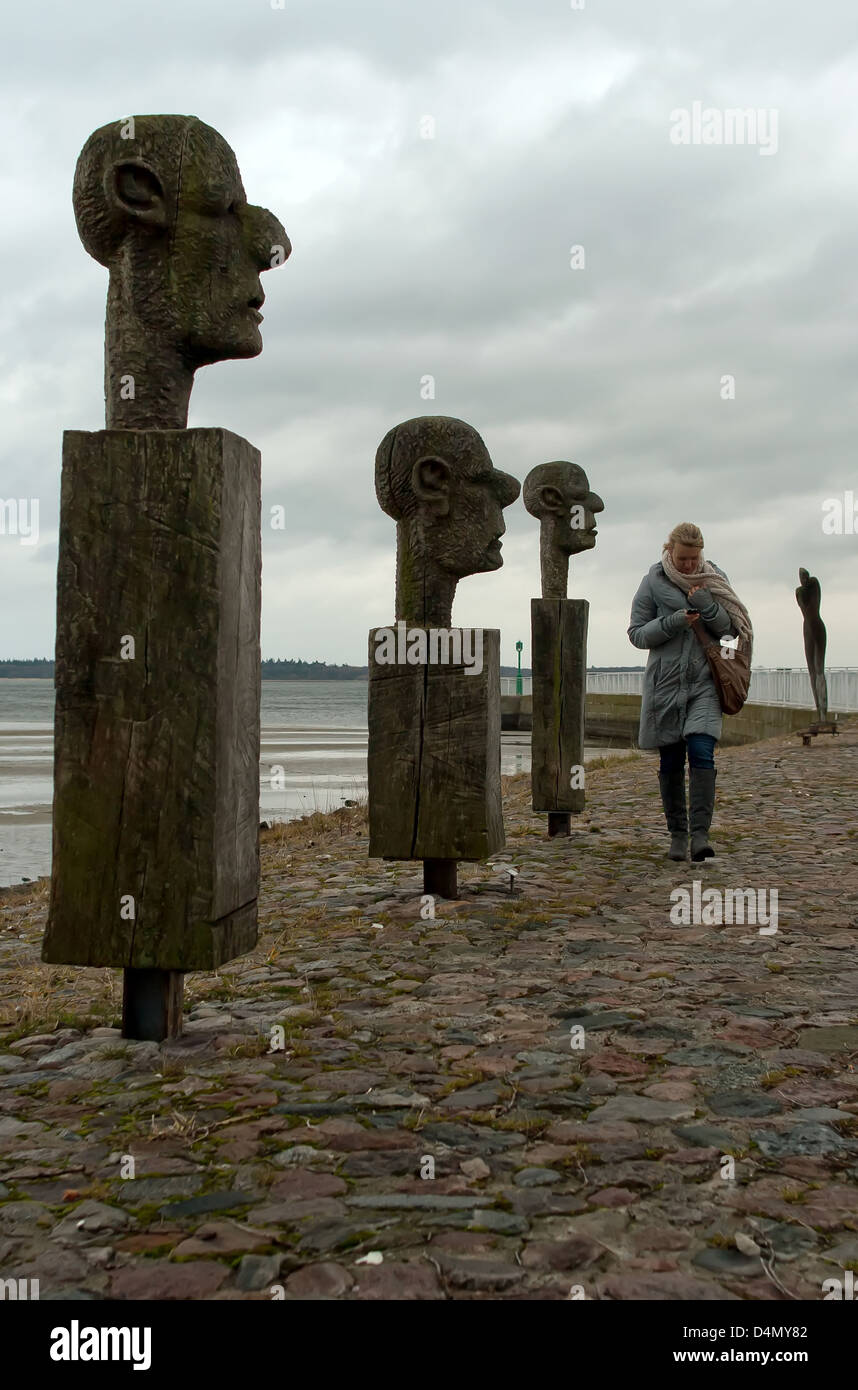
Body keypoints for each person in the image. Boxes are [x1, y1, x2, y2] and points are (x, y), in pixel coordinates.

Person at [627, 523, 753, 861]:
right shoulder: (652, 581)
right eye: (682, 558)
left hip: (705, 684)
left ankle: (700, 836)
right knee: (670, 759)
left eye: (693, 558)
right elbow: (637, 634)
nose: (688, 565)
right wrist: (672, 622)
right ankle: (678, 837)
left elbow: (729, 630)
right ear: (670, 550)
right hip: (664, 686)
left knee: (701, 751)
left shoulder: (715, 579)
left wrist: (706, 604)